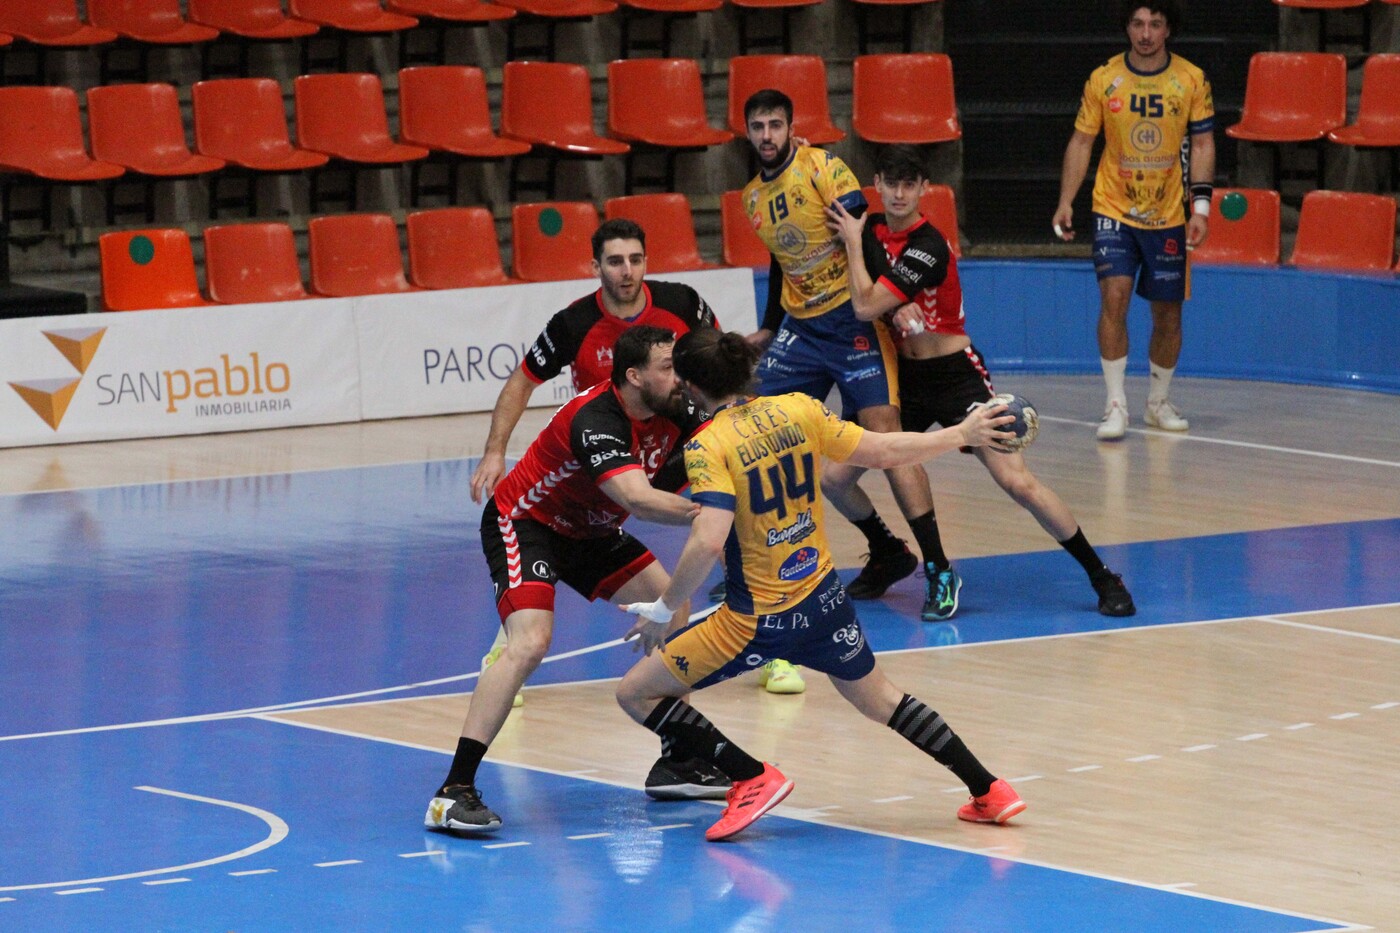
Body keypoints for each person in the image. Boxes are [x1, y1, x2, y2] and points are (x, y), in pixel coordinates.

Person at [615, 329, 1027, 842]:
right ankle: (989, 789)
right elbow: (883, 450)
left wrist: (664, 607)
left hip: (754, 620)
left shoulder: (707, 446)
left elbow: (707, 540)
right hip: (824, 600)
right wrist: (960, 433)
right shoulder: (798, 409)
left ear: (691, 386)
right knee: (883, 701)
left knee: (636, 693)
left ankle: (751, 777)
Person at [426, 327, 723, 834]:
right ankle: (453, 792)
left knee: (673, 605)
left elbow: (729, 438)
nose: (679, 377)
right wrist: (715, 512)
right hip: (528, 523)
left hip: (592, 531)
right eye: (667, 367)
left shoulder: (678, 405)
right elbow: (639, 499)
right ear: (634, 376)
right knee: (530, 643)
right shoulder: (596, 418)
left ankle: (678, 760)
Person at [825, 144, 1136, 620]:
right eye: (892, 183)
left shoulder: (929, 245)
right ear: (878, 186)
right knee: (834, 479)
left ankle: (1101, 575)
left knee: (1016, 481)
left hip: (956, 376)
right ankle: (895, 555)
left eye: (910, 184)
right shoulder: (872, 231)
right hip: (903, 379)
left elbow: (866, 305)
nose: (900, 193)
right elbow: (863, 248)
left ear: (924, 189)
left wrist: (853, 244)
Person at [469, 219, 718, 707]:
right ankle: (511, 650)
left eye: (635, 260)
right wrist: (495, 449)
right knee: (561, 539)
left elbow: (718, 368)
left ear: (646, 262)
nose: (627, 271)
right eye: (615, 261)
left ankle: (764, 644)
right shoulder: (574, 323)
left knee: (726, 509)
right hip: (599, 461)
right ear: (596, 266)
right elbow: (523, 380)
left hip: (663, 447)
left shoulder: (682, 304)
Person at [737, 88, 928, 617]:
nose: (767, 135)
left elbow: (863, 238)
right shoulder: (751, 197)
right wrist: (769, 326)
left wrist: (890, 302)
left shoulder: (822, 168)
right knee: (750, 430)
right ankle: (879, 551)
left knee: (885, 434)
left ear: (790, 127)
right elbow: (779, 261)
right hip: (802, 329)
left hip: (852, 321)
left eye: (776, 124)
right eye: (758, 126)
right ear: (747, 133)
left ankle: (937, 565)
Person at [1052, 0, 1215, 440]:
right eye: (1138, 24)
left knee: (1168, 316)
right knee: (1114, 298)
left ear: (1168, 30)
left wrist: (1200, 210)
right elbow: (1082, 142)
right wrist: (1066, 201)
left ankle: (1157, 403)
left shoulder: (1191, 79)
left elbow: (1202, 145)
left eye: (1155, 24)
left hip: (1168, 214)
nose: (1145, 34)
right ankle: (1115, 404)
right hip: (1113, 208)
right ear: (1126, 28)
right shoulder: (1103, 79)